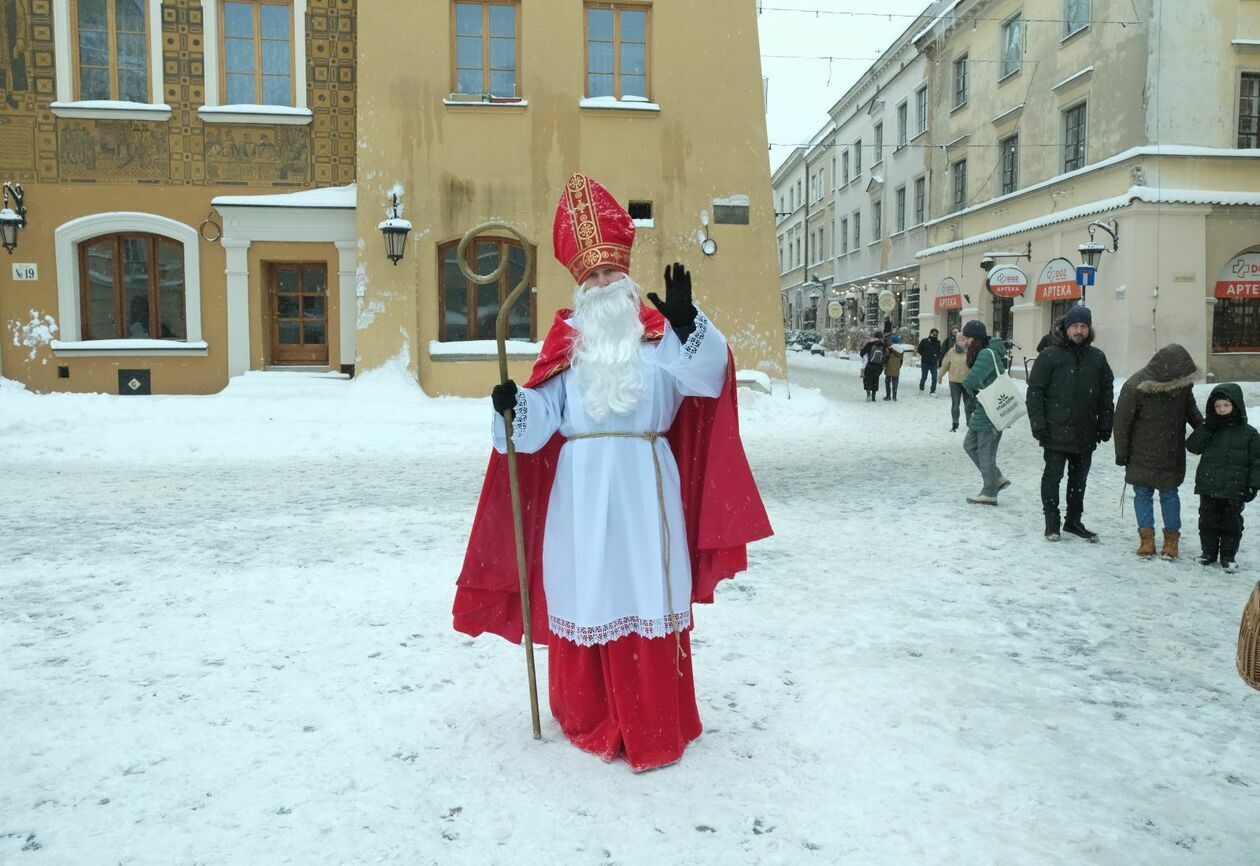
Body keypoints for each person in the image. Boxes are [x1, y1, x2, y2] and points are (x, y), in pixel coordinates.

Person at [454, 173, 772, 772]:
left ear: (626, 277)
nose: (601, 284)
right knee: (587, 585)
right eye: (591, 277)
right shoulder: (566, 349)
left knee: (646, 589)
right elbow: (538, 425)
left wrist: (687, 322)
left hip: (646, 483)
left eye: (610, 274)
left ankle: (653, 717)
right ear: (581, 285)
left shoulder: (660, 343)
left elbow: (709, 377)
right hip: (580, 493)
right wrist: (512, 405)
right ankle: (589, 711)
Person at [1026, 305, 1115, 542]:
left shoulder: (1097, 357)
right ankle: (1051, 523)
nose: (1079, 330)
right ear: (1066, 329)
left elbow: (1107, 391)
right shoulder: (1049, 355)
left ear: (1089, 329)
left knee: (1079, 480)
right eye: (1075, 326)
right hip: (1055, 429)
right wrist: (1039, 424)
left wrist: (1106, 422)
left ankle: (1073, 521)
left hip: (1085, 430)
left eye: (1083, 326)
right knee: (1053, 477)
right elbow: (1035, 391)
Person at [1112, 344, 1202, 559]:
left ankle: (1171, 541)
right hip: (1141, 452)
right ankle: (1147, 539)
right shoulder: (1135, 386)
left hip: (1171, 452)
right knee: (1142, 493)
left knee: (1169, 495)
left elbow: (1192, 412)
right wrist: (1121, 451)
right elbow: (1122, 421)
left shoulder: (1182, 386)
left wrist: (1208, 432)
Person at [1185, 384, 1260, 573]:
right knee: (1207, 521)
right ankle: (1208, 553)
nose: (1222, 410)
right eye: (1218, 406)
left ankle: (1228, 556)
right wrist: (1206, 427)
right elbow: (1193, 447)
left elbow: (1257, 462)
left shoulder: (1250, 433)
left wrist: (1253, 485)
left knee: (1232, 523)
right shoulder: (1210, 427)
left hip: (1235, 488)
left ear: (1236, 405)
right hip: (1209, 485)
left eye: (1226, 405)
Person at [956, 320, 1010, 504]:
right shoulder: (986, 352)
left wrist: (971, 388)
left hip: (990, 410)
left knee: (986, 452)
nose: (966, 342)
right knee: (970, 445)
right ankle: (996, 478)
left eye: (968, 338)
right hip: (984, 409)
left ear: (976, 339)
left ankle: (989, 492)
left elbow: (970, 381)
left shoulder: (986, 355)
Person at [939, 332, 973, 432]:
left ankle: (969, 423)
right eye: (959, 340)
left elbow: (975, 365)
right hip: (954, 382)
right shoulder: (951, 351)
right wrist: (940, 375)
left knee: (968, 404)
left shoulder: (971, 350)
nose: (961, 342)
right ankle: (955, 424)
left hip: (968, 381)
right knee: (955, 403)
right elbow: (945, 364)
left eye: (963, 340)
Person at [859, 332, 885, 402]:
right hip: (878, 365)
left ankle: (868, 394)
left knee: (867, 379)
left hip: (869, 364)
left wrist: (865, 357)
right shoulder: (882, 344)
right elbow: (885, 355)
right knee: (875, 380)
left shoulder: (870, 343)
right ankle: (874, 396)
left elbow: (862, 352)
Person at [916, 328, 942, 394]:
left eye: (936, 335)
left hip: (933, 363)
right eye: (934, 334)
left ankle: (933, 391)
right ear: (930, 334)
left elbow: (939, 351)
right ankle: (921, 389)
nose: (935, 336)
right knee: (924, 377)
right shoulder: (924, 341)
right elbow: (919, 349)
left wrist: (937, 357)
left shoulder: (938, 342)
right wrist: (924, 355)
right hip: (925, 362)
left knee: (934, 377)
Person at [882, 333, 904, 401]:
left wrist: (884, 364)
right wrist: (898, 367)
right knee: (895, 382)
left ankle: (888, 396)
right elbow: (901, 360)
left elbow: (885, 357)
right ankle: (894, 396)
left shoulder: (889, 348)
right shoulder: (901, 350)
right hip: (896, 367)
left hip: (889, 366)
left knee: (887, 381)